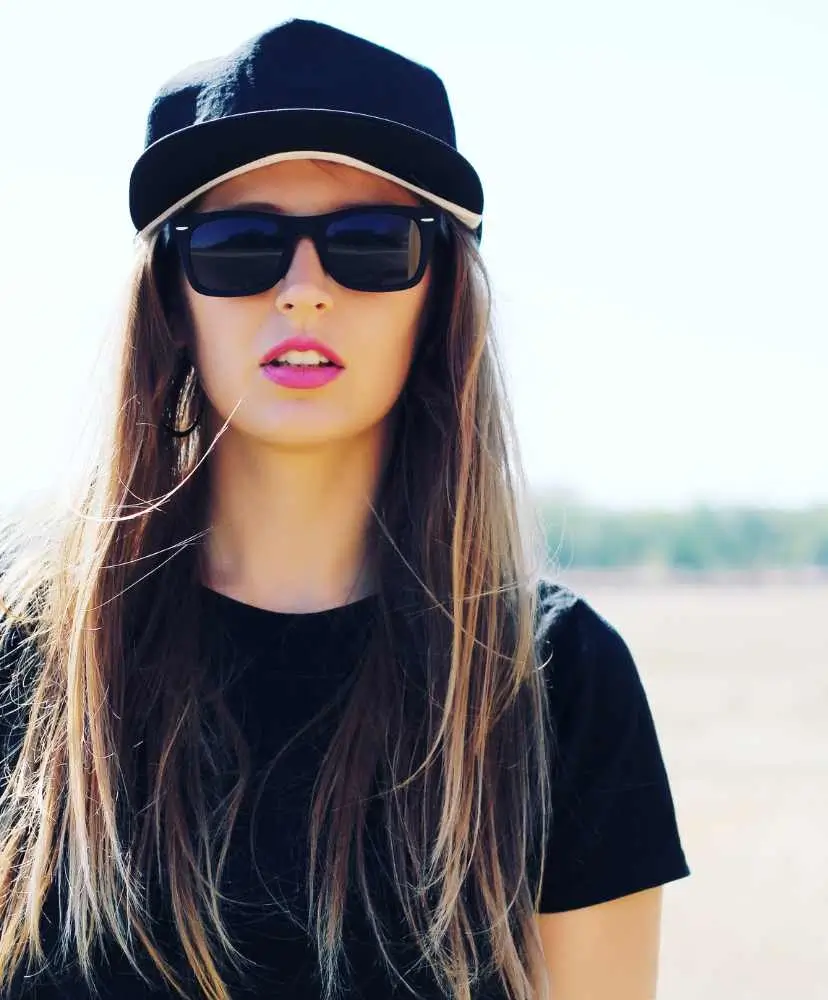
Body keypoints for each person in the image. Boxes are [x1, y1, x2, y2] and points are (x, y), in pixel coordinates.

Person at [0, 18, 688, 1000]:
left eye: (369, 244)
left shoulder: (551, 683)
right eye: (241, 246)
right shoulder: (25, 654)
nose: (304, 291)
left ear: (440, 292)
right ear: (169, 299)